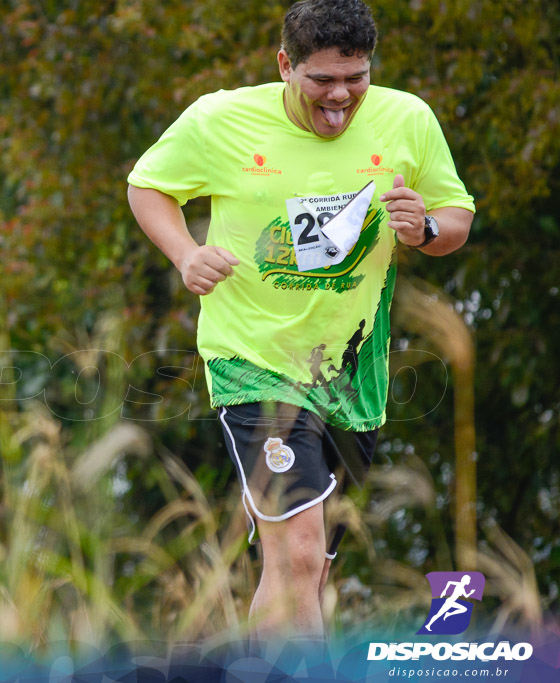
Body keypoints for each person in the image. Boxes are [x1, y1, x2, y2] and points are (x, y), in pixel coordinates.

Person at [127, 0, 474, 644]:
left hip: (350, 372)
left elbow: (456, 214)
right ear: (285, 65)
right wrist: (186, 253)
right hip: (252, 360)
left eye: (356, 78)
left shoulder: (407, 119)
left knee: (304, 572)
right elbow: (147, 186)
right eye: (322, 81)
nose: (341, 97)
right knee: (301, 551)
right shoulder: (221, 119)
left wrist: (423, 229)